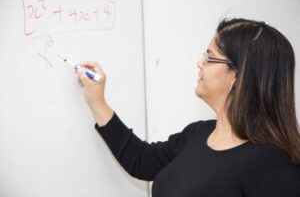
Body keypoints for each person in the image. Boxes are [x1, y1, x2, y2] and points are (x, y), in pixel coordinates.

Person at [77, 18, 300, 196]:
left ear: (239, 76)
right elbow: (140, 160)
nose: (200, 63)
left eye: (210, 58)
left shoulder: (273, 168)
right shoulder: (197, 134)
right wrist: (98, 101)